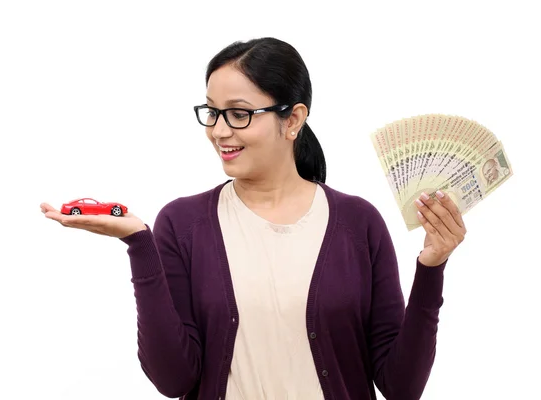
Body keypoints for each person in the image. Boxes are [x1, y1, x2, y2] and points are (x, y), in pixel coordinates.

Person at [41, 37, 467, 400]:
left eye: (239, 113)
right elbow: (173, 379)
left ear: (293, 119)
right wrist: (139, 244)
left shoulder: (359, 224)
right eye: (212, 112)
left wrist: (431, 268)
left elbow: (401, 385)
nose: (220, 131)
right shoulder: (182, 223)